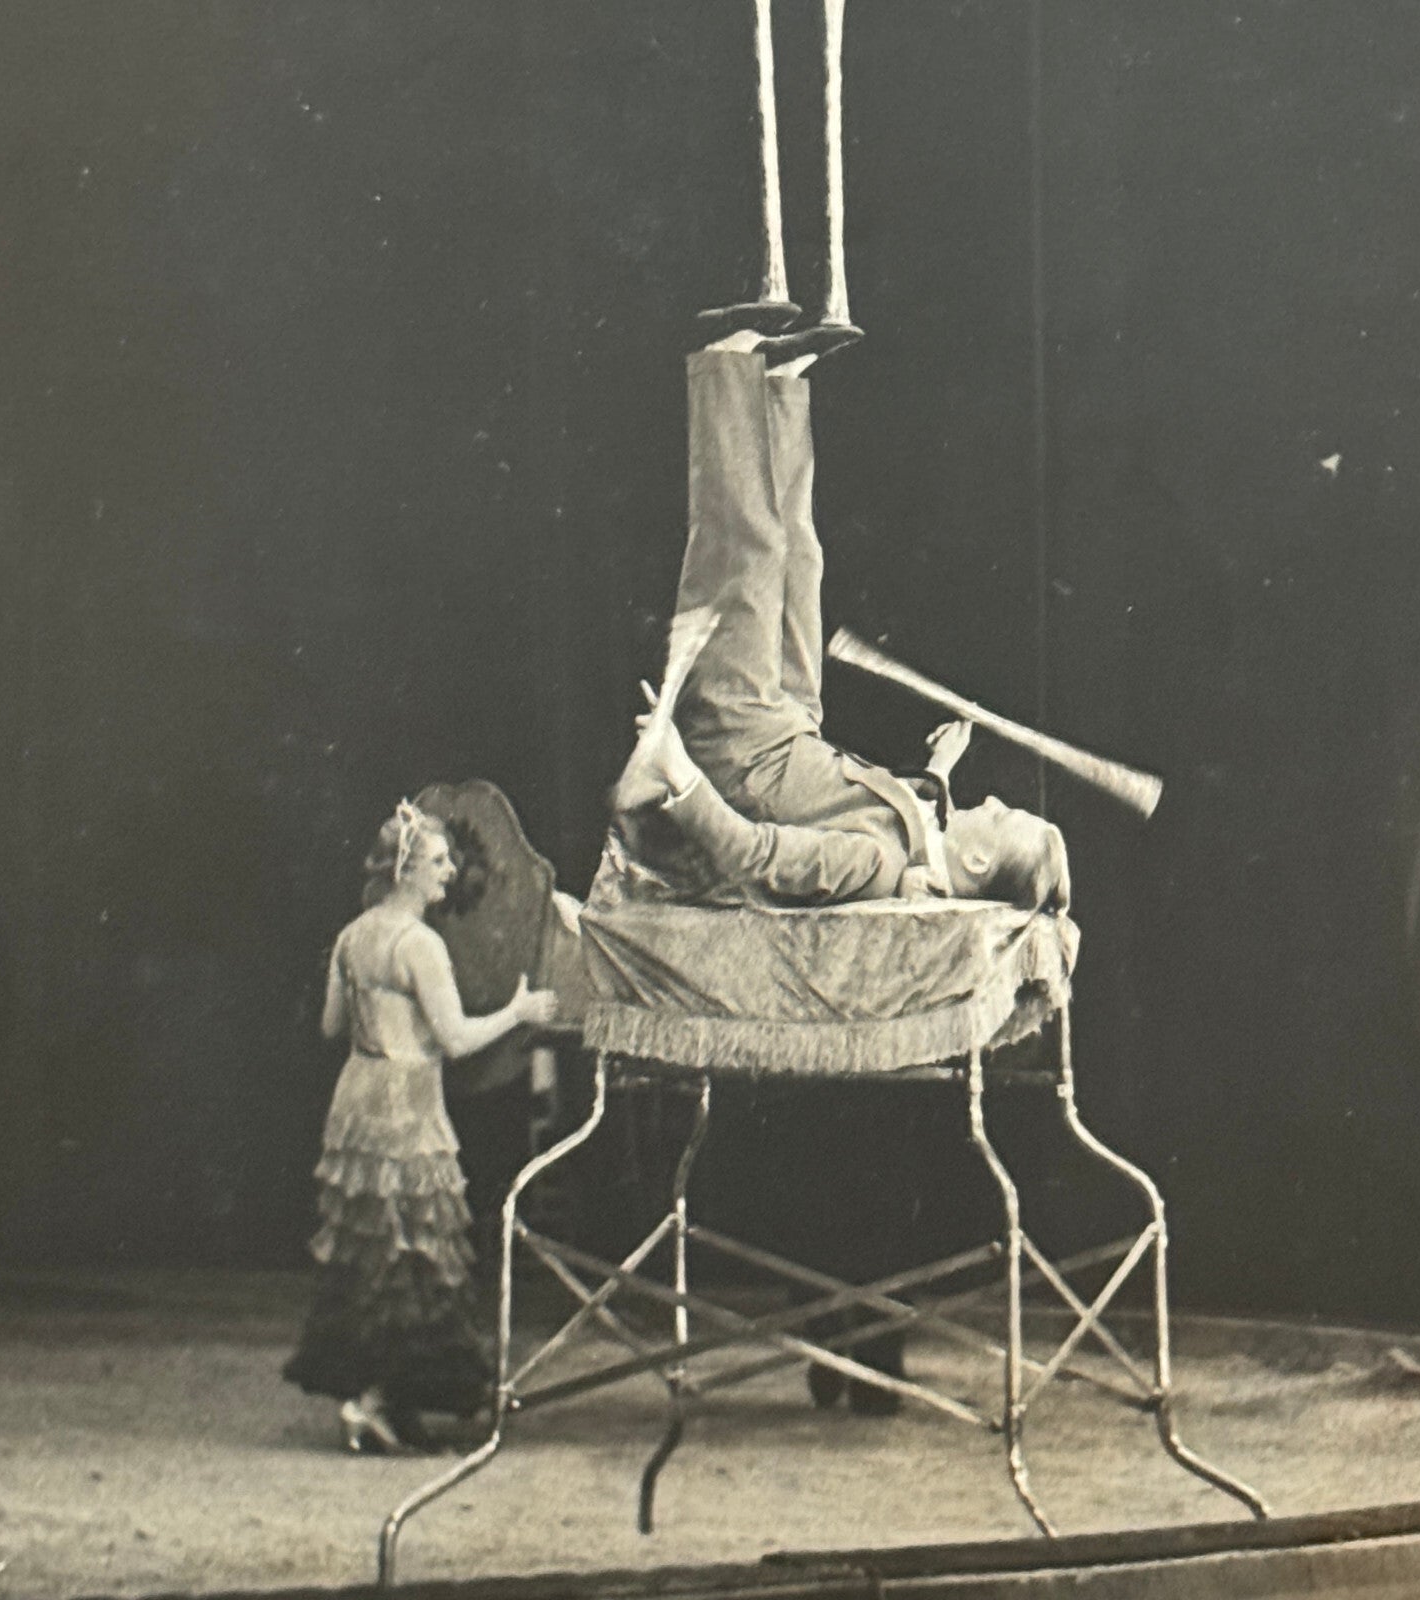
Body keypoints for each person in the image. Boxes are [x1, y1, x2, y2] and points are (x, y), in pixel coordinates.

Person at [610, 329, 1070, 914]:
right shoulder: (922, 842)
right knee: (803, 558)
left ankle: (725, 370)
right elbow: (910, 820)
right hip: (792, 728)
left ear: (977, 862)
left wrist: (674, 765)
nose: (999, 803)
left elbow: (754, 853)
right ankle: (777, 390)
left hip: (737, 743)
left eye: (1004, 819)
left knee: (755, 554)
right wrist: (937, 773)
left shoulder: (875, 862)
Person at [284, 801, 559, 1453]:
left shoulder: (353, 935)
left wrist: (382, 1021)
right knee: (413, 1252)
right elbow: (457, 1039)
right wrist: (519, 1011)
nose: (449, 872)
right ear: (405, 871)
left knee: (375, 1252)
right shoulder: (420, 944)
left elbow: (331, 1026)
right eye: (437, 861)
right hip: (406, 1101)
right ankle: (374, 1402)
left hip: (358, 1097)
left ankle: (378, 1399)